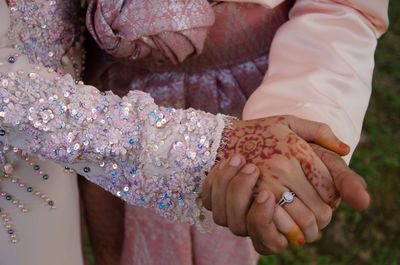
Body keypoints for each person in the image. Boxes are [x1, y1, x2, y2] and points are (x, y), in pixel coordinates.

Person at [0, 1, 387, 265]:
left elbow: (342, 10)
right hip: (77, 124)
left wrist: (293, 139)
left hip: (246, 102)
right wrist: (208, 147)